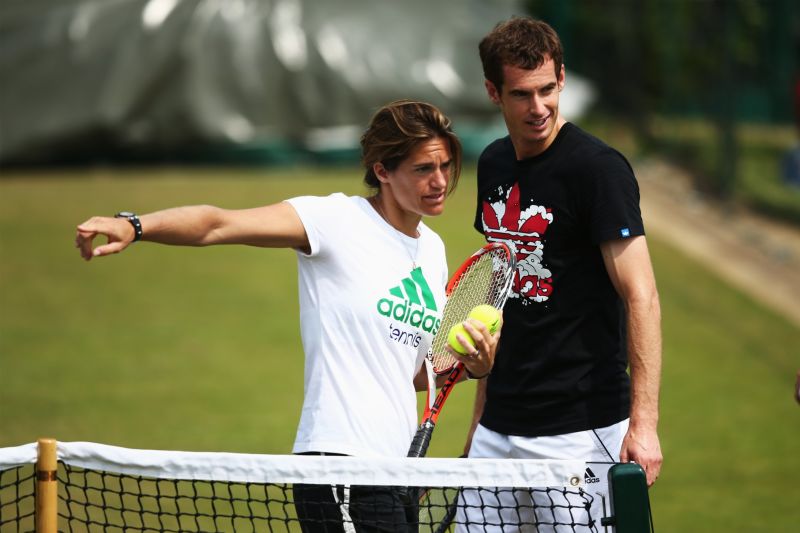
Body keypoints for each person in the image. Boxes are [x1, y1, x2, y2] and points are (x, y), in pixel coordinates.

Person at [75, 100, 501, 532]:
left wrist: (471, 368)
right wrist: (136, 225)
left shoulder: (432, 253)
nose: (440, 181)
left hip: (398, 473)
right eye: (423, 169)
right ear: (382, 171)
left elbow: (410, 374)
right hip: (339, 467)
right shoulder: (334, 220)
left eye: (446, 166)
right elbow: (217, 225)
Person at [457, 17, 663, 531]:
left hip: (579, 434)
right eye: (522, 94)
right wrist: (478, 423)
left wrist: (645, 426)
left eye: (548, 89)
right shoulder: (494, 164)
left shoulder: (599, 170)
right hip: (498, 430)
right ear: (493, 92)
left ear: (563, 78)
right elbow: (498, 299)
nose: (539, 107)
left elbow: (642, 296)